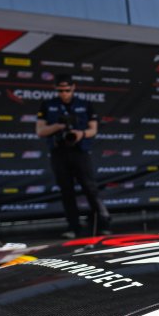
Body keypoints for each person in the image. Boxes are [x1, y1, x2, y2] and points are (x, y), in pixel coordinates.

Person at [35, 74, 110, 238]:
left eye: (67, 90)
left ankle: (101, 224)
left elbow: (93, 129)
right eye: (60, 90)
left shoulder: (85, 104)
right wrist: (58, 126)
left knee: (90, 188)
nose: (64, 93)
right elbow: (40, 131)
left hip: (80, 151)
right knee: (66, 191)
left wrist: (80, 134)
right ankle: (73, 227)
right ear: (56, 89)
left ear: (73, 87)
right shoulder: (48, 105)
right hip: (59, 151)